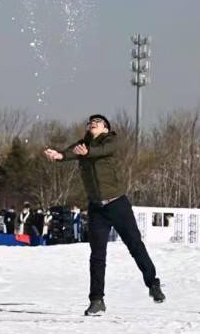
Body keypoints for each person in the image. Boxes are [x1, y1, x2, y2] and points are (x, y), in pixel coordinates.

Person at [45, 114, 165, 316]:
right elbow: (71, 152)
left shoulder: (110, 140)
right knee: (97, 256)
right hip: (96, 208)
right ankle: (97, 300)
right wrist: (59, 156)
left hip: (117, 204)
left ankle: (153, 283)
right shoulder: (83, 144)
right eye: (90, 121)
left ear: (106, 129)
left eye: (98, 122)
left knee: (135, 245)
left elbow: (102, 150)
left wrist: (87, 152)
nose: (93, 123)